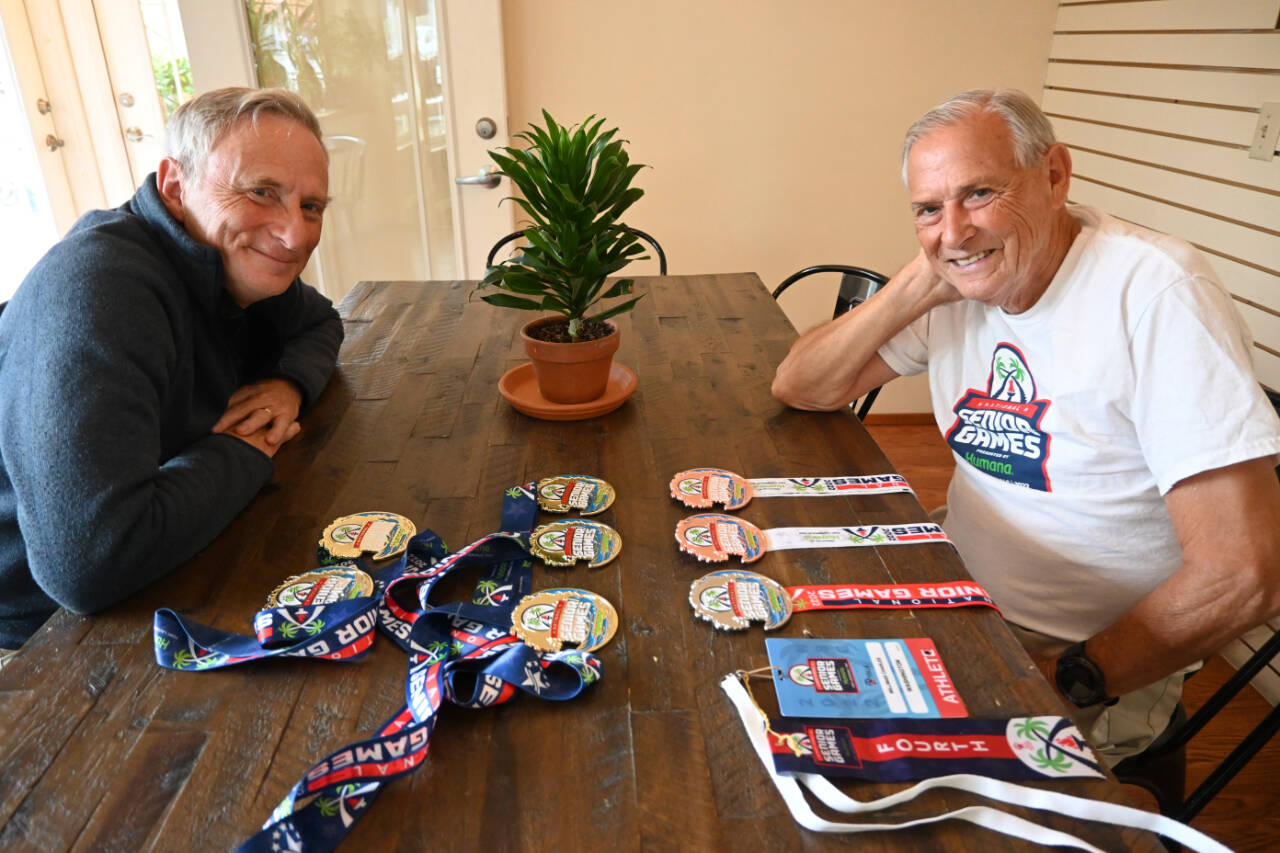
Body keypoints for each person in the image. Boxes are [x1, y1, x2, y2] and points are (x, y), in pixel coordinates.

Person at [772, 88, 1280, 763]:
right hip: (953, 602)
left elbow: (1244, 572)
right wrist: (920, 281)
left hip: (1078, 658)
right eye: (928, 209)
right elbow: (802, 386)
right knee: (773, 677)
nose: (953, 230)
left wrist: (1073, 677)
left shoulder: (1157, 294)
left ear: (1055, 176)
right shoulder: (963, 277)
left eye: (979, 193)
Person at [0, 87, 343, 658]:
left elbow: (321, 322)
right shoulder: (100, 288)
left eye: (312, 206)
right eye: (262, 192)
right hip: (35, 637)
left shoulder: (228, 262)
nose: (294, 234)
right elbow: (86, 566)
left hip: (161, 568)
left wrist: (288, 385)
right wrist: (246, 451)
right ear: (176, 188)